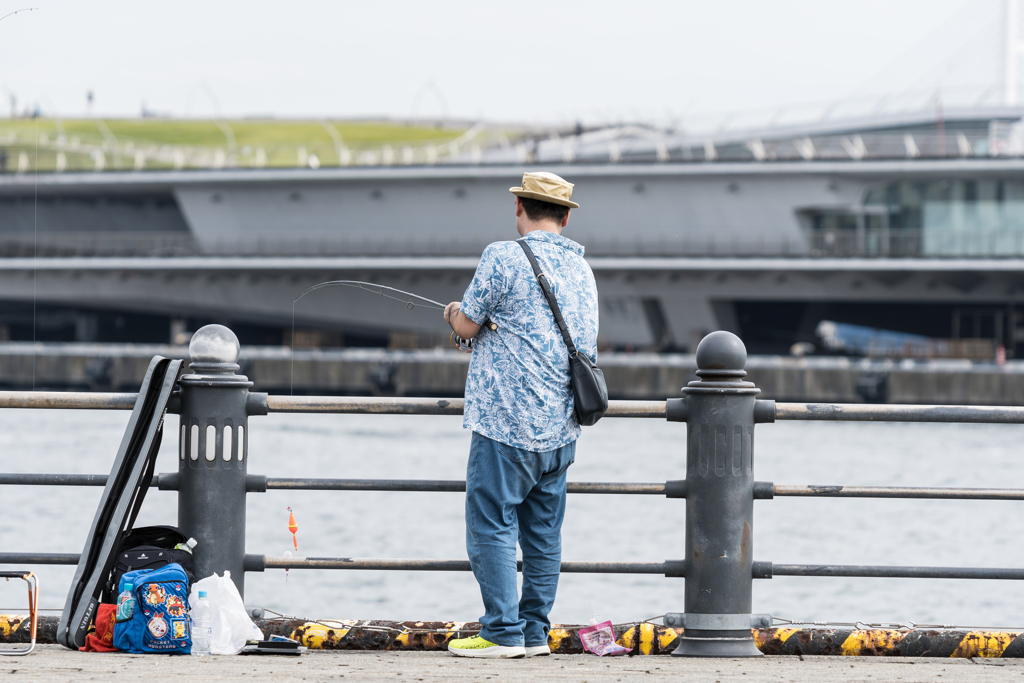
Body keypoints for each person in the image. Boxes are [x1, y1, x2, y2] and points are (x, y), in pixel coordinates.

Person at [443, 171, 599, 659]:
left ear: (518, 209)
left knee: (490, 522)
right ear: (566, 216)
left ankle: (501, 633)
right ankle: (533, 632)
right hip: (560, 428)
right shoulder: (582, 268)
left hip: (506, 424)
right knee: (543, 534)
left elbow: (469, 323)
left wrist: (451, 315)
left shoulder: (503, 256)